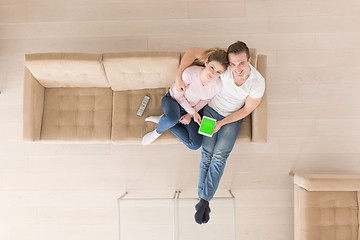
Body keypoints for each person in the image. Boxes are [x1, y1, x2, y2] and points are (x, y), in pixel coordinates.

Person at [176, 41, 265, 224]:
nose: (237, 68)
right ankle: (204, 200)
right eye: (233, 64)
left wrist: (222, 123)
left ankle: (203, 200)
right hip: (209, 112)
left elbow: (246, 110)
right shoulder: (223, 64)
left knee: (220, 156)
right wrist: (178, 78)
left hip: (232, 118)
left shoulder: (257, 82)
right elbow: (192, 50)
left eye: (241, 63)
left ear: (249, 60)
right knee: (207, 153)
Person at [142, 48, 228, 150]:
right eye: (212, 67)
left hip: (189, 110)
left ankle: (164, 121)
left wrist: (190, 115)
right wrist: (193, 113)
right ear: (206, 62)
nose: (213, 74)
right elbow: (179, 96)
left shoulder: (217, 85)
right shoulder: (190, 73)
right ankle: (157, 132)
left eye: (218, 72)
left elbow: (206, 100)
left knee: (195, 144)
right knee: (172, 118)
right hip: (173, 100)